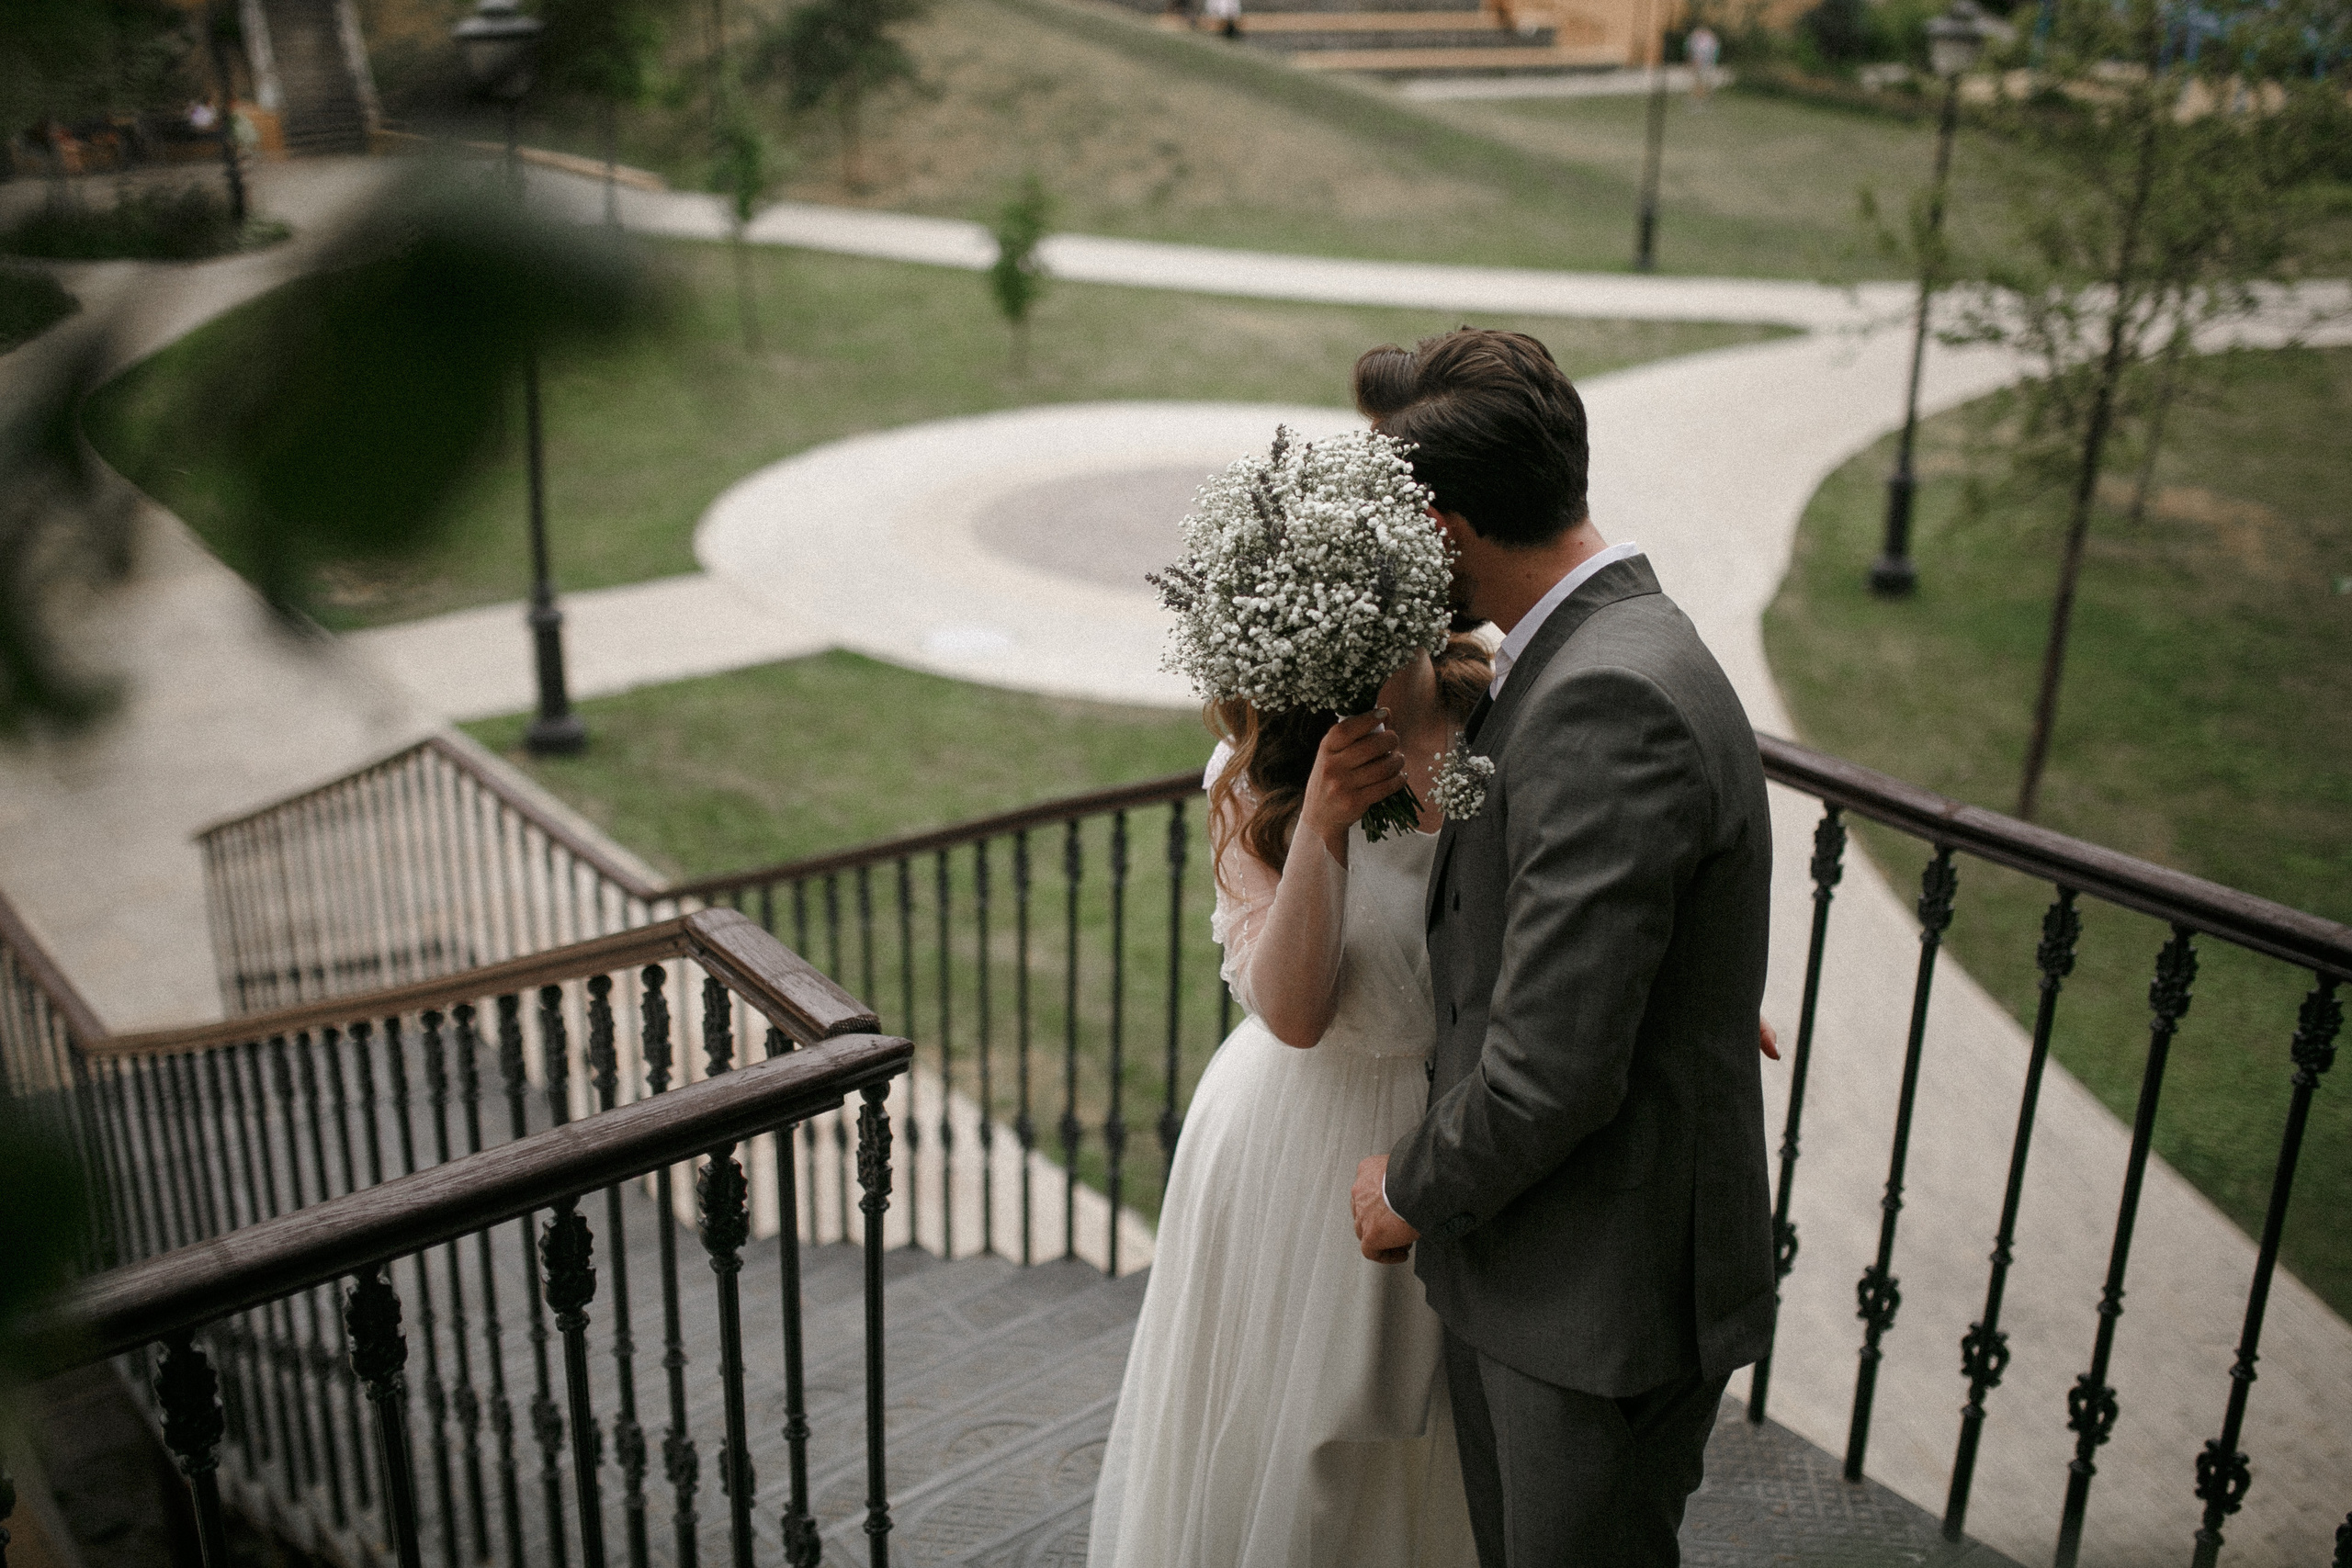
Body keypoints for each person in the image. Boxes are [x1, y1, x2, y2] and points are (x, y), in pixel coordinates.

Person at [1349, 328, 1776, 1567]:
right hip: (1562, 1276)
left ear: (1443, 526)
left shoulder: (1608, 695)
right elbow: (1566, 904)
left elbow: (1552, 1071)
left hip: (1597, 1298)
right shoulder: (1606, 642)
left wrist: (1406, 1189)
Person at [1087, 614, 1491, 1567]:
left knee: (1447, 1451)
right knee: (1307, 1448)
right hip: (1303, 1138)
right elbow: (1294, 1012)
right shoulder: (1256, 767)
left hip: (1475, 1123)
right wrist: (1320, 822)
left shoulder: (1505, 716)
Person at [1687, 24, 1722, 105]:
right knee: (1698, 81)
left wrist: (1712, 61)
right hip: (1698, 63)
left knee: (1706, 81)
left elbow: (1714, 51)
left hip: (1707, 63)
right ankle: (1698, 98)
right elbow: (1690, 50)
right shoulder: (1695, 38)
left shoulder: (1711, 39)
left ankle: (1706, 98)